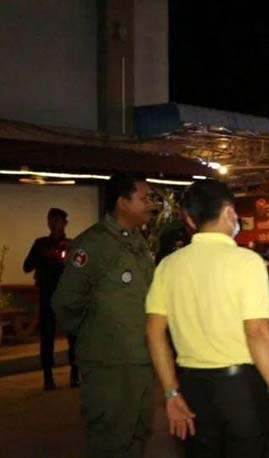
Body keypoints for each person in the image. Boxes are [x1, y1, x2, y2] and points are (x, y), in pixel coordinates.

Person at [145, 179, 269, 457]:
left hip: (192, 390)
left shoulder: (168, 266)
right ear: (229, 212)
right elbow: (257, 333)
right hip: (241, 392)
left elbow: (154, 333)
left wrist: (170, 393)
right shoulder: (247, 262)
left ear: (189, 219)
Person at [53, 172, 157, 457]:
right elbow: (66, 302)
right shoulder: (93, 244)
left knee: (137, 435)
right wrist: (95, 336)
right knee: (110, 440)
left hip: (139, 361)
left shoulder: (137, 242)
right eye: (145, 198)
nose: (151, 204)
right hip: (109, 366)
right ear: (122, 202)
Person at [23, 208, 79, 390]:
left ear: (65, 223)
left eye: (57, 221)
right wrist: (43, 258)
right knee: (47, 336)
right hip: (47, 294)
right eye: (51, 221)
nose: (53, 224)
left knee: (73, 336)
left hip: (68, 295)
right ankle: (48, 376)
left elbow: (81, 268)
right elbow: (27, 266)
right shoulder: (40, 244)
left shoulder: (72, 245)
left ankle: (75, 374)